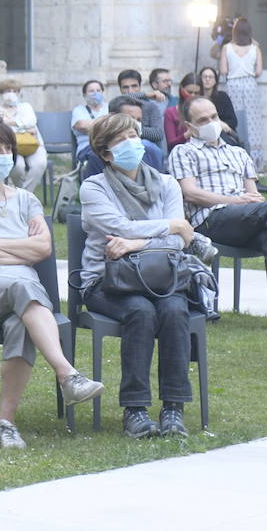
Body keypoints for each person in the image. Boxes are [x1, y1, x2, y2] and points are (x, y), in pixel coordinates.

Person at [0, 115, 104, 448]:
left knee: (20, 320)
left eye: (8, 148)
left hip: (19, 297)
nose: (4, 154)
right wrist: (19, 251)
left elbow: (42, 248)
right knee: (22, 287)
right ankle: (66, 374)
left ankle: (5, 424)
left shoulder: (26, 200)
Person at [77, 113, 202, 439]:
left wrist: (137, 242)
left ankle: (173, 408)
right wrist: (170, 226)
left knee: (175, 311)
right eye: (121, 139)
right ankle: (135, 409)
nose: (133, 142)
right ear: (105, 153)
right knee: (140, 311)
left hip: (161, 276)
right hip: (107, 281)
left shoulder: (166, 183)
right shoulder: (94, 187)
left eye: (134, 134)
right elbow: (119, 228)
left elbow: (179, 240)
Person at [169, 97, 267, 334]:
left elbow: (253, 196)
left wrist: (244, 202)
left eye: (213, 117)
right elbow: (190, 193)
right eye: (202, 120)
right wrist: (235, 200)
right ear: (190, 126)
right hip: (208, 222)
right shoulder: (184, 152)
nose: (211, 122)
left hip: (243, 220)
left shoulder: (238, 153)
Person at [81, 95, 165, 180]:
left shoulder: (153, 152)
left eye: (139, 120)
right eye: (129, 118)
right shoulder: (98, 155)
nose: (135, 123)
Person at [219, 17, 264, 169]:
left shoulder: (227, 48)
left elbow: (224, 70)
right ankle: (255, 162)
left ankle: (235, 155)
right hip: (250, 84)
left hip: (233, 84)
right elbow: (258, 71)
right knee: (253, 122)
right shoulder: (255, 48)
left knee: (234, 118)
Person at [0, 78, 46, 192]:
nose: (11, 94)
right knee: (17, 167)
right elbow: (0, 125)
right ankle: (23, 195)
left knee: (40, 164)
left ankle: (24, 194)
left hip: (32, 143)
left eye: (14, 91)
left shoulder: (26, 107)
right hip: (11, 146)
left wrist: (10, 123)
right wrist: (24, 126)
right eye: (8, 91)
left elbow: (31, 121)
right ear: (1, 93)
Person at [118, 69, 167, 152]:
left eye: (134, 86)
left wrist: (132, 127)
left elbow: (158, 134)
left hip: (146, 153)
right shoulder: (117, 106)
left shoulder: (150, 106)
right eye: (125, 87)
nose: (130, 91)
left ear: (140, 87)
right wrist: (146, 94)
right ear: (120, 89)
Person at [71, 79, 109, 155]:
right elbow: (81, 125)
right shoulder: (79, 110)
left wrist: (91, 126)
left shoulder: (109, 107)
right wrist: (107, 125)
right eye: (91, 91)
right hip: (87, 148)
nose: (96, 93)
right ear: (84, 95)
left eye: (98, 90)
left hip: (109, 146)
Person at [199, 65, 238, 136]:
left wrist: (219, 124)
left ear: (215, 81)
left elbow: (233, 122)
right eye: (204, 77)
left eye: (210, 77)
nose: (207, 79)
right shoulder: (196, 99)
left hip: (222, 133)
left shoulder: (223, 97)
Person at [164, 75, 200, 149]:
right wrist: (187, 134)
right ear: (181, 89)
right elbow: (171, 143)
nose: (192, 96)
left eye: (196, 93)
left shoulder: (206, 111)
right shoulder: (171, 113)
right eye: (189, 92)